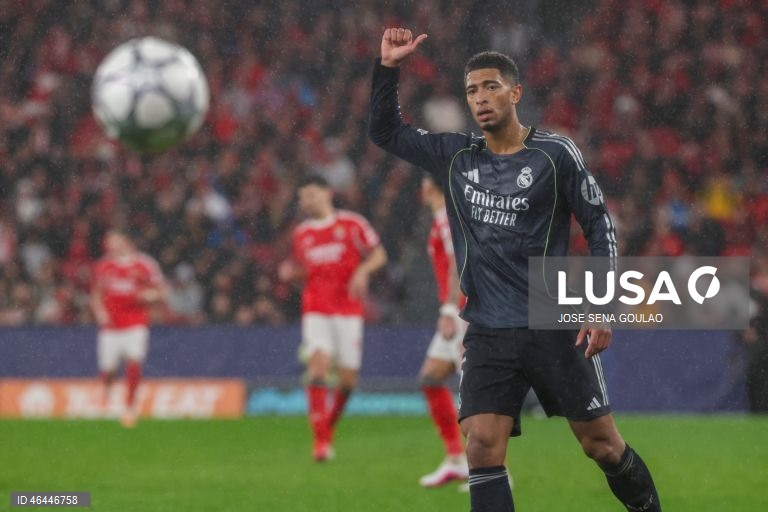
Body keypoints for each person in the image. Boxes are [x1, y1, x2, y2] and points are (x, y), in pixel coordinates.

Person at [369, 28, 660, 511]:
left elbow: (600, 226)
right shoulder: (456, 156)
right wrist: (388, 68)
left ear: (515, 92)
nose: (480, 99)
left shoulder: (555, 154)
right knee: (482, 446)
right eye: (471, 91)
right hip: (488, 328)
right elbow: (384, 131)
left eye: (490, 87)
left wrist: (603, 305)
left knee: (602, 446)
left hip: (552, 321)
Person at [278, 175, 387, 462]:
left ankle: (326, 425)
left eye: (311, 194)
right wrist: (291, 274)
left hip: (349, 311)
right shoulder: (301, 233)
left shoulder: (352, 224)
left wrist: (363, 271)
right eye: (303, 197)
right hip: (316, 309)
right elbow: (305, 271)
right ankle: (321, 441)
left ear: (328, 193)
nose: (306, 201)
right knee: (318, 367)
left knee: (348, 381)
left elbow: (379, 255)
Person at [417, 174, 469, 487]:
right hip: (456, 310)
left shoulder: (449, 216)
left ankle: (496, 470)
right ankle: (456, 459)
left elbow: (457, 262)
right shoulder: (443, 218)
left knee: (476, 392)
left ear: (429, 186)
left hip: (462, 312)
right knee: (430, 377)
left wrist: (450, 309)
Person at [90, 229, 166, 427]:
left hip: (135, 323)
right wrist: (100, 312)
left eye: (114, 240)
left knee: (134, 361)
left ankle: (130, 408)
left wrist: (149, 296)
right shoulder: (104, 266)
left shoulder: (145, 264)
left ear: (126, 241)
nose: (110, 245)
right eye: (108, 242)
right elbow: (96, 293)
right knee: (108, 369)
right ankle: (106, 390)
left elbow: (162, 291)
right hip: (111, 326)